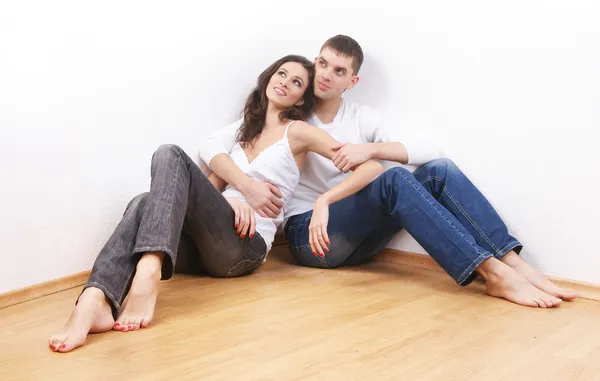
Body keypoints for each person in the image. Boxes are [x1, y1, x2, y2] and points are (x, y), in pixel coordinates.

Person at [203, 36, 578, 309]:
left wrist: (370, 150)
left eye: (339, 70)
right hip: (309, 235)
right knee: (395, 178)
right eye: (321, 64)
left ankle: (511, 262)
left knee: (437, 171)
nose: (326, 76)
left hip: (352, 228)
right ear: (313, 63)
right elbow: (213, 146)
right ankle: (492, 273)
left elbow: (431, 152)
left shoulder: (361, 119)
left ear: (353, 81)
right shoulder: (289, 115)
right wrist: (316, 200)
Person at [49, 54, 383, 353]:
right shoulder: (242, 133)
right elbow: (198, 196)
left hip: (245, 248)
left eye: (297, 82)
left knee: (169, 153)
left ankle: (146, 275)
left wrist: (325, 200)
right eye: (281, 73)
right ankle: (96, 299)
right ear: (268, 77)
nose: (285, 82)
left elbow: (371, 167)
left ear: (301, 98)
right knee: (143, 202)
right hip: (214, 243)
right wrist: (235, 194)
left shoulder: (297, 132)